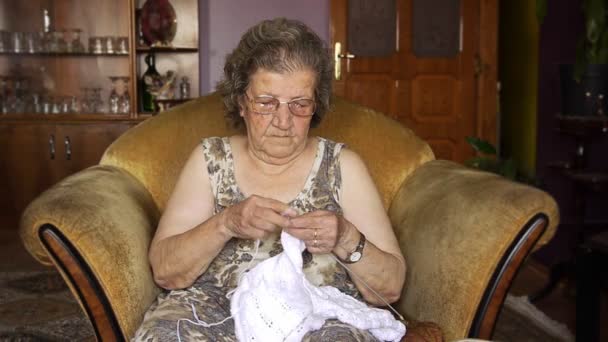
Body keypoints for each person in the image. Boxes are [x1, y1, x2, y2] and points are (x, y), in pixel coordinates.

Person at [133, 17, 406, 341]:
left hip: (316, 318)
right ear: (241, 102)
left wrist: (346, 236)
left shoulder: (342, 166)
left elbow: (389, 288)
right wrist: (226, 223)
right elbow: (166, 272)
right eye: (266, 102)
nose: (283, 120)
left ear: (315, 105)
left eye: (299, 104)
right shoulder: (211, 159)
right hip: (213, 314)